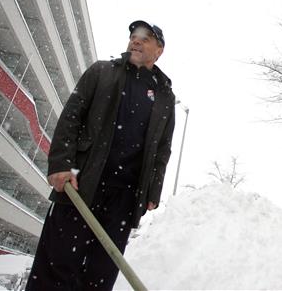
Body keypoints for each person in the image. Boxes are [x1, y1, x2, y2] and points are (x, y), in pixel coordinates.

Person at [26, 20, 176, 290]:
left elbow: (162, 149)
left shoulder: (165, 97)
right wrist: (61, 164)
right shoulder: (103, 72)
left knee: (99, 276)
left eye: (145, 37)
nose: (136, 40)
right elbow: (71, 117)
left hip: (124, 200)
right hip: (81, 185)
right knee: (56, 267)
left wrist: (153, 191)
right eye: (133, 36)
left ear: (159, 50)